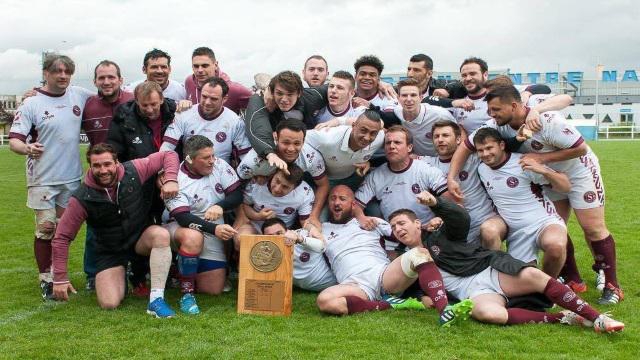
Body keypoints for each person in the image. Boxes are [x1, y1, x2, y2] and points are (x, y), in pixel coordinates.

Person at [388, 191, 624, 333]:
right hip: (471, 292)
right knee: (490, 314)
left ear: (417, 223)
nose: (398, 229)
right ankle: (563, 317)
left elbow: (461, 218)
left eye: (402, 223)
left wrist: (436, 204)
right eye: (393, 227)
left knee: (536, 276)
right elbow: (412, 292)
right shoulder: (405, 261)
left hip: (488, 269)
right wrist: (422, 298)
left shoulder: (440, 233)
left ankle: (598, 318)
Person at [482, 85, 623, 304]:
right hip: (549, 176)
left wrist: (542, 160)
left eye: (496, 109)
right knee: (557, 225)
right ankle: (573, 278)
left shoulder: (546, 119)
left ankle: (612, 285)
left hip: (579, 171)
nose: (492, 115)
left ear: (514, 105)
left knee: (592, 227)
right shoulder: (501, 127)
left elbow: (581, 149)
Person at [51, 144, 180, 318]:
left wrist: (171, 178)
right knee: (109, 303)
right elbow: (62, 237)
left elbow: (168, 154)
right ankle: (124, 276)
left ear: (116, 162)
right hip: (109, 250)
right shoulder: (82, 197)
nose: (103, 170)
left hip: (139, 239)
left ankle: (156, 301)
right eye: (96, 165)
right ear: (90, 166)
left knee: (160, 235)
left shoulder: (134, 170)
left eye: (107, 164)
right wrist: (60, 278)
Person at [316, 186, 473, 326]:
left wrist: (431, 224)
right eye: (333, 198)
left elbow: (405, 232)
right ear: (328, 204)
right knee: (325, 301)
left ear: (353, 204)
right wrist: (309, 224)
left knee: (419, 253)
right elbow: (301, 236)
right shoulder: (320, 230)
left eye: (342, 199)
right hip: (356, 285)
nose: (337, 202)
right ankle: (390, 304)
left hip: (384, 276)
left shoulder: (371, 222)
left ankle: (445, 310)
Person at [8, 53, 93, 300]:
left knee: (65, 231)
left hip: (71, 178)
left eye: (67, 72)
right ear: (46, 73)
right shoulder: (31, 103)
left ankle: (59, 274)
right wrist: (27, 148)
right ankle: (46, 278)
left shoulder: (78, 94)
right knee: (46, 229)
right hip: (42, 179)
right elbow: (15, 140)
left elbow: (107, 94)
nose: (63, 76)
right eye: (57, 71)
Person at [107, 80, 177, 294]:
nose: (149, 109)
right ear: (136, 101)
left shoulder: (176, 113)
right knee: (138, 227)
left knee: (171, 223)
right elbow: (115, 150)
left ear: (162, 99)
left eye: (154, 104)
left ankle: (170, 273)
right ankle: (137, 276)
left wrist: (168, 174)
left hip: (170, 180)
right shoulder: (124, 117)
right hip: (137, 183)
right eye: (144, 105)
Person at [474, 128, 570, 278]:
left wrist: (544, 171)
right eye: (480, 150)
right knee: (521, 276)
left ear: (501, 145)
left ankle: (548, 291)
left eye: (489, 148)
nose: (485, 154)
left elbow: (565, 186)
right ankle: (494, 278)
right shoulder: (481, 169)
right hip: (516, 231)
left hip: (543, 222)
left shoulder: (523, 162)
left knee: (556, 246)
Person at [164, 135, 241, 314]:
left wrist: (219, 206)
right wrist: (215, 229)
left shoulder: (220, 165)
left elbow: (237, 195)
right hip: (182, 228)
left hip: (214, 228)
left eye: (212, 156)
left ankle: (181, 269)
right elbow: (183, 218)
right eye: (206, 158)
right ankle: (186, 293)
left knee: (213, 289)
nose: (212, 161)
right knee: (193, 237)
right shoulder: (175, 179)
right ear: (189, 159)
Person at [81, 60, 134, 289]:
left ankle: (132, 269)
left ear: (120, 79)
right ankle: (93, 274)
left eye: (111, 77)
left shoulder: (133, 100)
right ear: (95, 81)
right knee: (95, 225)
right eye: (101, 78)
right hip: (99, 176)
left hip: (128, 174)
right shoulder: (88, 105)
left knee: (130, 223)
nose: (107, 82)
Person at [421, 120, 506, 248]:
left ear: (458, 139)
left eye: (445, 135)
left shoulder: (475, 157)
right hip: (455, 226)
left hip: (486, 219)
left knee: (490, 232)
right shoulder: (426, 164)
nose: (440, 139)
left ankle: (496, 266)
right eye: (436, 136)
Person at [237, 119, 329, 226]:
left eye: (297, 143)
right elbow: (234, 185)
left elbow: (323, 185)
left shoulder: (311, 157)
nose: (291, 148)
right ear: (276, 138)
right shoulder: (254, 160)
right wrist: (240, 215)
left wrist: (314, 216)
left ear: (303, 141)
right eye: (286, 142)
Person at [355, 126, 449, 227]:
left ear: (409, 147)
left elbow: (450, 200)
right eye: (388, 143)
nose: (391, 146)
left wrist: (441, 218)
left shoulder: (425, 169)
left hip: (428, 230)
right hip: (394, 235)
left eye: (397, 142)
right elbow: (356, 204)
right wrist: (361, 218)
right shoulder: (375, 176)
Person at [160, 77, 251, 164]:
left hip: (221, 174)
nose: (207, 102)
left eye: (213, 99)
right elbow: (167, 147)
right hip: (188, 174)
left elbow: (245, 155)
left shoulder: (235, 121)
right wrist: (163, 171)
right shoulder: (184, 114)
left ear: (224, 99)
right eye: (204, 96)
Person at [305, 110, 384, 189]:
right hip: (322, 179)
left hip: (354, 177)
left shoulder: (379, 138)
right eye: (363, 130)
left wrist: (368, 162)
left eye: (373, 133)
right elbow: (300, 138)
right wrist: (314, 159)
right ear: (353, 126)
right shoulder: (327, 138)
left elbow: (388, 130)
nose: (367, 138)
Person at [238, 164, 314, 238]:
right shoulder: (256, 183)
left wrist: (313, 230)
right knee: (241, 239)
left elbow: (305, 221)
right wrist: (258, 216)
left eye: (285, 187)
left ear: (295, 188)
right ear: (273, 174)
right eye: (277, 181)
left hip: (284, 233)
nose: (277, 189)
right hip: (255, 226)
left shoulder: (305, 192)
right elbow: (245, 205)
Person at [261, 218, 337, 292]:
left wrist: (299, 239)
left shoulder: (301, 234)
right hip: (310, 289)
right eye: (270, 236)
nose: (277, 238)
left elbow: (322, 246)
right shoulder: (265, 251)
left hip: (333, 283)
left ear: (287, 231)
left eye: (279, 233)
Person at [184, 47, 252, 114]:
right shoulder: (189, 81)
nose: (200, 70)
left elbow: (258, 104)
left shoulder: (233, 89)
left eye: (205, 66)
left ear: (216, 65)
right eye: (196, 66)